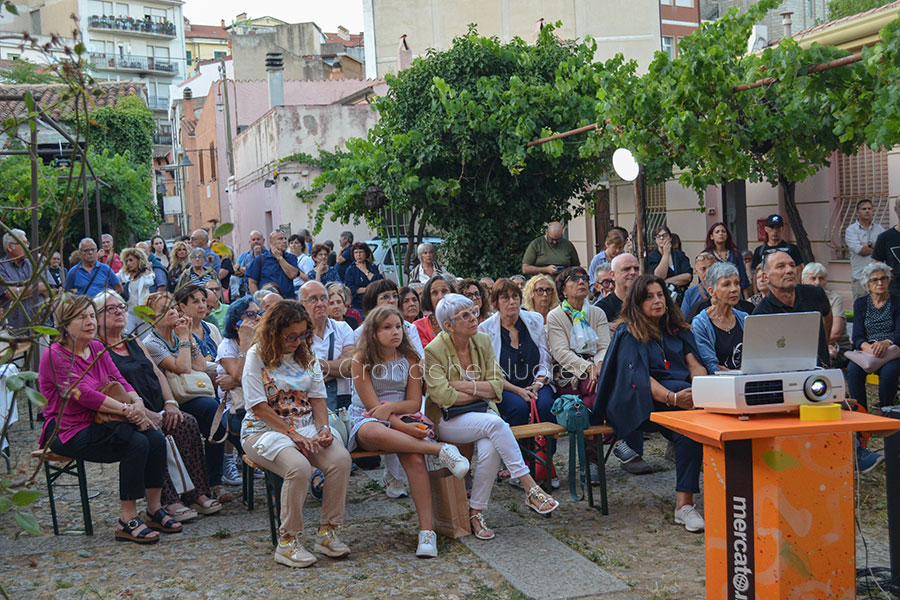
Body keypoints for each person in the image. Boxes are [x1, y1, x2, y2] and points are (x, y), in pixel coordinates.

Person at [424, 293, 558, 540]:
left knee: (490, 448)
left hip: (482, 414)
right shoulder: (434, 350)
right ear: (449, 325)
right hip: (447, 419)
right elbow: (443, 397)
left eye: (474, 312)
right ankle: (530, 487)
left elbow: (496, 386)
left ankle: (475, 513)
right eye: (466, 315)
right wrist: (479, 390)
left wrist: (463, 386)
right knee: (496, 425)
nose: (474, 318)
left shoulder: (482, 340)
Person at [38, 295, 169, 543]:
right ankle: (127, 519)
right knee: (136, 443)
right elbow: (84, 395)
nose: (90, 322)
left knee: (154, 437)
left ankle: (154, 508)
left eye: (91, 316)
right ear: (64, 324)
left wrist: (138, 403)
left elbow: (118, 378)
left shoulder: (97, 348)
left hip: (103, 421)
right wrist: (128, 410)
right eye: (82, 317)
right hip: (68, 430)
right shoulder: (55, 355)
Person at [348, 304, 470, 558]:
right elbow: (372, 409)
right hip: (369, 419)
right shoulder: (360, 360)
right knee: (372, 432)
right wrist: (406, 428)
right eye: (387, 327)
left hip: (405, 416)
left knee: (414, 458)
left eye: (398, 327)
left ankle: (427, 532)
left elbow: (414, 403)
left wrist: (394, 410)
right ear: (373, 332)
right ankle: (439, 450)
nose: (395, 332)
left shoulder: (410, 358)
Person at [240, 300, 352, 568]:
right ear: (275, 332)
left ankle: (327, 532)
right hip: (262, 430)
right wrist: (293, 434)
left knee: (340, 460)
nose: (298, 341)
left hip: (305, 426)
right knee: (298, 468)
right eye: (291, 336)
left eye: (303, 334)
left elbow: (318, 399)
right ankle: (288, 541)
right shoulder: (257, 355)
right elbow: (259, 406)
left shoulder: (306, 354)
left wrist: (323, 429)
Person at [95, 291, 221, 522]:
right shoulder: (98, 349)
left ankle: (196, 492)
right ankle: (168, 499)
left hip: (158, 405)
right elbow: (108, 389)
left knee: (186, 423)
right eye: (111, 309)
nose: (119, 312)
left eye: (121, 307)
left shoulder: (132, 341)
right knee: (156, 435)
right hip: (131, 412)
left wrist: (170, 403)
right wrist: (145, 412)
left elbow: (156, 373)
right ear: (97, 316)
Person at [594, 275, 706, 532]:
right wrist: (673, 397)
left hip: (680, 403)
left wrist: (700, 389)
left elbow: (695, 365)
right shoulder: (628, 332)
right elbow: (639, 378)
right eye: (649, 297)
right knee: (686, 408)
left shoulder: (677, 328)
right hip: (639, 402)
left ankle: (684, 506)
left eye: (660, 295)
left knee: (691, 433)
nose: (657, 301)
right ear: (637, 302)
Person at [142, 291, 230, 503]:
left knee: (217, 415)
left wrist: (187, 337)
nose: (173, 312)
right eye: (165, 310)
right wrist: (184, 338)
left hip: (192, 392)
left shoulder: (178, 334)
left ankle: (215, 478)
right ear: (152, 317)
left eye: (173, 307)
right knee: (211, 410)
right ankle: (209, 481)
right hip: (171, 398)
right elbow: (182, 367)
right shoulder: (151, 343)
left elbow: (199, 365)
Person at [479, 279, 557, 485]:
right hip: (505, 386)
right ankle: (519, 466)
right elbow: (491, 372)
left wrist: (538, 383)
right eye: (505, 298)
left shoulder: (534, 320)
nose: (512, 302)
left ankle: (546, 463)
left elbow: (545, 357)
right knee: (518, 409)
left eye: (515, 297)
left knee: (546, 406)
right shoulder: (485, 329)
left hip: (535, 381)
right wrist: (518, 390)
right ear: (495, 303)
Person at [846, 261, 896, 471]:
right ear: (867, 285)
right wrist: (868, 347)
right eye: (874, 280)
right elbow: (857, 336)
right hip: (868, 351)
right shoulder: (861, 304)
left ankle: (885, 413)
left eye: (883, 278)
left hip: (892, 350)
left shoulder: (897, 302)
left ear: (888, 280)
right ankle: (862, 416)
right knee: (852, 370)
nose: (880, 283)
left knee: (890, 371)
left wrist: (886, 343)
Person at [547, 266, 610, 415]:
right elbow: (561, 352)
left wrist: (599, 366)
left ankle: (597, 426)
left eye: (585, 279)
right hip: (570, 370)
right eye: (574, 279)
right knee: (598, 388)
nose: (581, 282)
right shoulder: (555, 316)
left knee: (607, 384)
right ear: (563, 289)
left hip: (597, 366)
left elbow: (604, 347)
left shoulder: (598, 313)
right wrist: (588, 368)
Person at [753, 251, 833, 366]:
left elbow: (827, 314)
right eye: (781, 266)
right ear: (765, 277)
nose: (789, 270)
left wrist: (824, 346)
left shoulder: (815, 293)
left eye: (792, 265)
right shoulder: (761, 314)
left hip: (819, 369)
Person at [216, 296, 262, 486]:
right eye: (251, 314)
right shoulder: (227, 346)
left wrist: (235, 380)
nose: (258, 318)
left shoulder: (264, 341)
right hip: (235, 407)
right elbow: (242, 375)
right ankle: (231, 459)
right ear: (237, 323)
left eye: (259, 313)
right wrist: (245, 342)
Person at [300, 281, 355, 411]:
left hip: (343, 399)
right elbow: (301, 378)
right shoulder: (297, 334)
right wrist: (337, 369)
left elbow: (350, 367)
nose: (320, 303)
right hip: (308, 401)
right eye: (313, 299)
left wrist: (314, 365)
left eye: (323, 298)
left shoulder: (343, 328)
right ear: (302, 305)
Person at [690, 262, 747, 374]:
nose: (734, 289)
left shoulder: (744, 318)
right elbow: (711, 365)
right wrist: (736, 374)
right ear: (712, 291)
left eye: (736, 283)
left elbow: (755, 357)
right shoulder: (701, 324)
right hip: (719, 381)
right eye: (726, 284)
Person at [353, 279, 425, 358]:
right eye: (386, 297)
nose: (392, 300)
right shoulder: (360, 333)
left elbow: (420, 358)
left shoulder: (409, 328)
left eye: (395, 296)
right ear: (373, 301)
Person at [801, 263, 851, 365]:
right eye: (813, 278)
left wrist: (820, 346)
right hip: (810, 347)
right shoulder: (799, 300)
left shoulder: (834, 299)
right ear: (803, 282)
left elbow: (836, 332)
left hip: (838, 347)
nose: (817, 282)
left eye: (821, 279)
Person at [0, 229, 48, 334]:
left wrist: (19, 291)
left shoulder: (35, 263)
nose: (27, 246)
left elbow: (46, 287)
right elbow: (10, 293)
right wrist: (37, 288)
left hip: (40, 326)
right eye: (23, 243)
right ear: (9, 247)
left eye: (27, 243)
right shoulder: (1, 267)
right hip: (13, 329)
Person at [846, 200, 885, 300]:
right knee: (861, 307)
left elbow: (885, 249)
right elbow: (861, 251)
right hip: (860, 277)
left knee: (880, 306)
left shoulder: (879, 229)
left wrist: (868, 244)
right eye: (864, 209)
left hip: (879, 278)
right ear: (857, 212)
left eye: (869, 208)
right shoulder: (851, 230)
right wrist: (877, 250)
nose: (867, 211)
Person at [247, 230, 300, 301]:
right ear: (271, 242)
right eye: (280, 239)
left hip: (287, 301)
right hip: (268, 301)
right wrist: (258, 300)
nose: (284, 241)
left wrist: (279, 258)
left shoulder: (291, 257)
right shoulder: (261, 259)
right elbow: (252, 282)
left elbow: (292, 274)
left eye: (285, 238)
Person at [648, 226, 692, 307]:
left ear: (670, 238)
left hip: (682, 298)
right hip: (663, 298)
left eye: (665, 235)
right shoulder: (651, 257)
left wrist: (666, 281)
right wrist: (666, 254)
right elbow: (659, 276)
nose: (662, 238)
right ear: (655, 240)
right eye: (658, 236)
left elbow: (687, 276)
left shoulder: (679, 255)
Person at [117, 248, 157, 334]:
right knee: (127, 335)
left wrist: (148, 269)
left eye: (131, 260)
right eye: (126, 261)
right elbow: (113, 278)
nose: (128, 263)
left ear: (139, 260)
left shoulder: (146, 274)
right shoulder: (124, 274)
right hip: (128, 311)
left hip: (143, 311)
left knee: (145, 337)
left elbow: (149, 282)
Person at [704, 222, 749, 295]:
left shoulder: (735, 253)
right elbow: (704, 280)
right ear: (711, 236)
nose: (721, 233)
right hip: (716, 294)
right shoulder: (707, 255)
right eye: (717, 232)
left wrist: (746, 299)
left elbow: (743, 278)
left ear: (727, 235)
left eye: (723, 231)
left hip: (735, 293)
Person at [596, 253, 640, 323]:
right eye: (626, 269)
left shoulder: (646, 301)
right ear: (613, 275)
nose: (633, 272)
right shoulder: (602, 309)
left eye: (636, 269)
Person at [413, 275, 453, 347]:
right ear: (428, 298)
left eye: (444, 291)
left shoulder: (463, 321)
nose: (440, 297)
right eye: (435, 293)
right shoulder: (418, 327)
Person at [344, 242, 383, 314]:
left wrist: (365, 271)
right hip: (358, 304)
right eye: (356, 252)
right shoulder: (350, 270)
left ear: (366, 254)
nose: (358, 255)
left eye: (361, 252)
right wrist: (369, 289)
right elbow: (350, 288)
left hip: (374, 302)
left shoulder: (372, 267)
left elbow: (379, 283)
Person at [873, 198, 900, 297]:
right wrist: (885, 269)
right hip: (895, 293)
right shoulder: (885, 237)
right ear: (895, 209)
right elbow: (876, 262)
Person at [236, 230, 265, 297]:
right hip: (245, 292)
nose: (256, 241)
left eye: (258, 239)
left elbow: (259, 272)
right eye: (253, 239)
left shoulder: (268, 255)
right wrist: (240, 268)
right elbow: (234, 271)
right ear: (249, 242)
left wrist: (241, 269)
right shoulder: (246, 256)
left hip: (262, 291)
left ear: (263, 240)